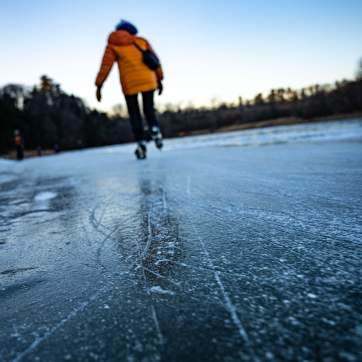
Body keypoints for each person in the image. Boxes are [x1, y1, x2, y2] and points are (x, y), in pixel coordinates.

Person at [95, 20, 164, 159]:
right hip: (148, 80)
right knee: (149, 108)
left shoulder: (113, 44)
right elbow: (155, 61)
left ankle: (140, 142)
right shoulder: (141, 41)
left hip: (129, 84)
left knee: (134, 114)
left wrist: (99, 85)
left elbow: (105, 66)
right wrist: (160, 79)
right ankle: (154, 129)